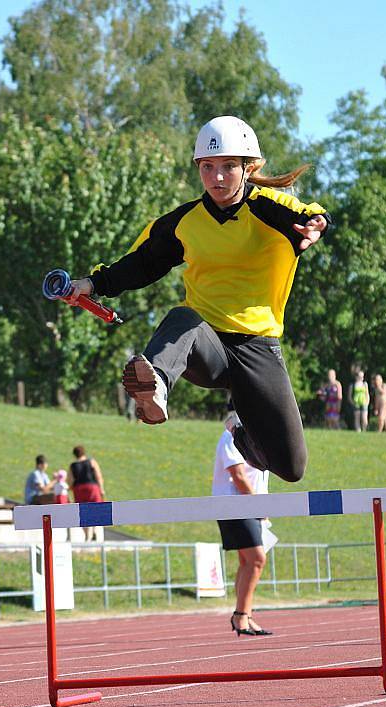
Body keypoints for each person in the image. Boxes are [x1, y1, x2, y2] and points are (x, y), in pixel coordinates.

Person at [68, 115, 331, 483]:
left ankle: (240, 429)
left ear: (247, 167)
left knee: (291, 467)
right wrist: (91, 285)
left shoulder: (270, 208)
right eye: (207, 168)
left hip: (259, 347)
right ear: (198, 169)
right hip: (207, 347)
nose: (217, 178)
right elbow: (140, 263)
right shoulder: (184, 222)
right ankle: (155, 382)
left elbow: (311, 214)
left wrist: (317, 225)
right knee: (184, 317)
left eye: (227, 167)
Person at [213, 412, 272, 637]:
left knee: (247, 561)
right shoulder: (231, 437)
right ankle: (241, 615)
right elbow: (237, 475)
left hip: (248, 506)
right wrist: (258, 504)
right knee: (257, 559)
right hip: (235, 506)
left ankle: (245, 614)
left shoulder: (252, 439)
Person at [68, 445, 106, 542]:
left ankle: (86, 535)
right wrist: (101, 489)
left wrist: (71, 488)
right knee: (94, 509)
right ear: (84, 452)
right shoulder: (91, 462)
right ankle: (93, 530)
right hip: (92, 487)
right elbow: (98, 476)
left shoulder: (72, 466)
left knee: (83, 512)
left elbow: (70, 481)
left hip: (79, 489)